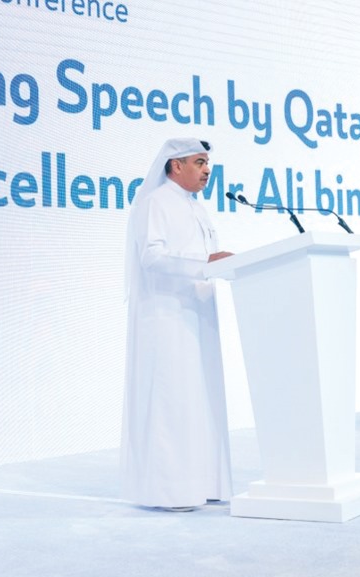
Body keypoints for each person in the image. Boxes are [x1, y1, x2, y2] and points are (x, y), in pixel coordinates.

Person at [120, 137, 234, 511]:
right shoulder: (155, 203)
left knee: (201, 397)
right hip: (166, 316)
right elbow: (151, 257)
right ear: (175, 166)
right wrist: (205, 262)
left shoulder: (196, 207)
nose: (206, 171)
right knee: (174, 401)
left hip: (197, 312)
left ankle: (206, 483)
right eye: (199, 163)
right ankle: (171, 490)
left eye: (208, 164)